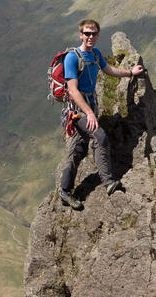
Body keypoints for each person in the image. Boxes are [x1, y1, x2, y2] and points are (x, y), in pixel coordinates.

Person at [60, 19, 144, 210]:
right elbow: (72, 90)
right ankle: (108, 183)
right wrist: (89, 114)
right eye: (87, 33)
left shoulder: (95, 54)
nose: (90, 37)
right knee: (100, 137)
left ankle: (64, 192)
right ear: (80, 35)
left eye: (94, 34)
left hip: (90, 107)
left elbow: (109, 70)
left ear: (98, 35)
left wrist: (130, 72)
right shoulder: (72, 58)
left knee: (78, 151)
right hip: (77, 111)